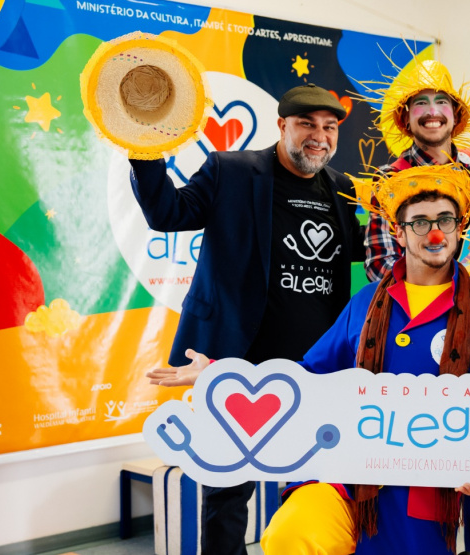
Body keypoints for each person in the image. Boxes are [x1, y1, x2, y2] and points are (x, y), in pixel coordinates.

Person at [133, 83, 364, 555]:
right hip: (233, 360)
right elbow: (166, 213)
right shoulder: (231, 171)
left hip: (316, 366)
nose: (319, 137)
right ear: (282, 126)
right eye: (307, 125)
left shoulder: (344, 189)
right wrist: (144, 149)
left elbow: (365, 256)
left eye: (330, 127)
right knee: (228, 491)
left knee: (317, 484)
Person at [251, 163, 470, 555]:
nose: (434, 233)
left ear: (459, 229)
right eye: (419, 222)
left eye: (445, 220)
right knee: (291, 535)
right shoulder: (366, 301)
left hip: (432, 491)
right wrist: (226, 376)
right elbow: (309, 374)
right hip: (352, 477)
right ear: (398, 233)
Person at [359, 58, 470, 281]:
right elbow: (380, 266)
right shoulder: (391, 179)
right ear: (406, 118)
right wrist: (452, 290)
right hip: (422, 311)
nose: (433, 111)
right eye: (421, 103)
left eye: (442, 102)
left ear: (455, 116)